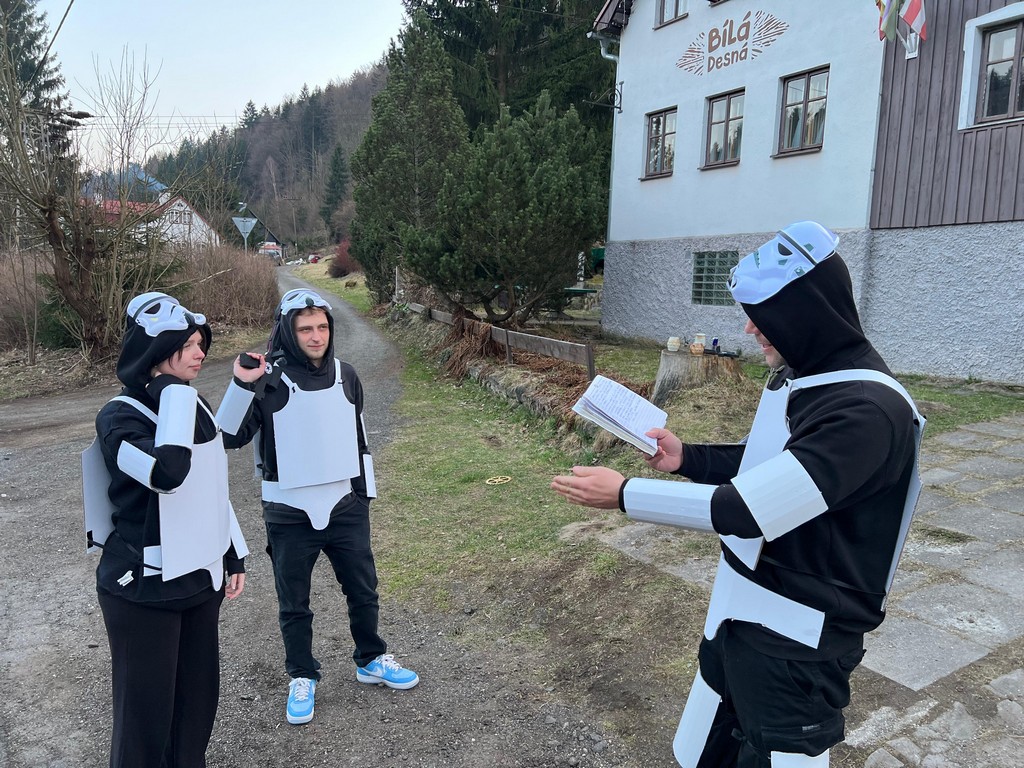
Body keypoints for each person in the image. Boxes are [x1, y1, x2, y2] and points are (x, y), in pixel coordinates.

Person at [551, 221, 925, 768]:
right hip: (741, 609)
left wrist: (626, 494)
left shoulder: (867, 411)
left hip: (798, 637)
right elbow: (767, 464)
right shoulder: (812, 377)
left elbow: (748, 510)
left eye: (764, 316)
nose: (750, 329)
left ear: (805, 315)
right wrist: (686, 458)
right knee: (706, 747)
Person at [217, 288, 419, 726]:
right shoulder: (268, 380)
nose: (315, 336)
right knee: (294, 602)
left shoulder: (347, 375)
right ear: (287, 332)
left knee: (363, 590)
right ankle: (302, 675)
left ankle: (371, 658)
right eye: (305, 328)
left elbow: (359, 436)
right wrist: (241, 385)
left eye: (322, 327)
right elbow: (228, 437)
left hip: (345, 505)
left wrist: (364, 498)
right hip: (289, 511)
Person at [83, 292, 248, 768]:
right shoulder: (119, 417)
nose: (201, 353)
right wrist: (172, 391)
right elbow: (167, 474)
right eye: (188, 345)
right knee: (144, 723)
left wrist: (232, 552)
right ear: (155, 351)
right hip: (142, 589)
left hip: (198, 581)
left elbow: (211, 475)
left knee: (195, 712)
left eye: (200, 343)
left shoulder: (190, 403)